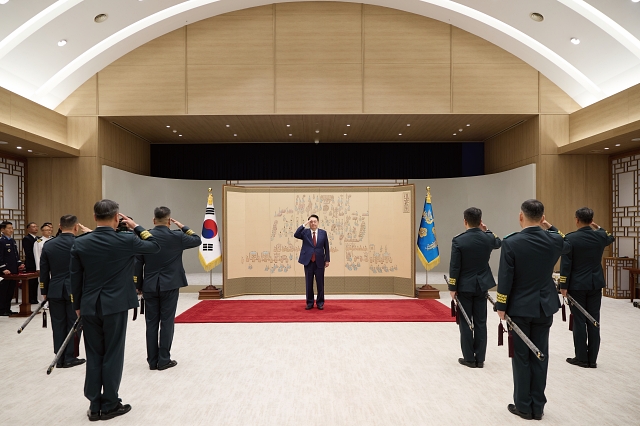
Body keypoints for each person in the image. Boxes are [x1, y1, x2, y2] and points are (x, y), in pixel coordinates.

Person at [70, 200, 160, 421]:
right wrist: (136, 226)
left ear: (94, 218)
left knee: (94, 355)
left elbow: (75, 278)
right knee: (113, 353)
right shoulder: (127, 240)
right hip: (116, 306)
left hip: (89, 306)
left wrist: (77, 306)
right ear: (117, 216)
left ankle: (94, 403)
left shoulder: (81, 243)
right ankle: (109, 403)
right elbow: (155, 246)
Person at [495, 199, 571, 421]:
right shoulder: (554, 240)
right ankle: (538, 406)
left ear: (521, 216)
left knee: (521, 357)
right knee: (540, 355)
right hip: (544, 305)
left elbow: (505, 278)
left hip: (518, 307)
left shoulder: (511, 242)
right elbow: (568, 244)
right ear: (542, 217)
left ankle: (523, 406)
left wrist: (501, 305)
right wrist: (551, 227)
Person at [134, 207, 201, 371]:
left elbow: (137, 263)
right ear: (170, 221)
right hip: (170, 285)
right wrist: (183, 227)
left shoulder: (145, 237)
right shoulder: (177, 236)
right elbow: (197, 239)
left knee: (151, 324)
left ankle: (152, 361)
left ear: (153, 220)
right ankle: (164, 359)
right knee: (167, 322)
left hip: (149, 285)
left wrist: (138, 285)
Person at [559, 207, 615, 369]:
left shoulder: (570, 239)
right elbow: (611, 237)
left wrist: (563, 285)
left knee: (579, 321)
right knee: (594, 320)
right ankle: (592, 359)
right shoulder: (600, 237)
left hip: (576, 285)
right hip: (595, 284)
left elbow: (566, 265)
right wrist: (598, 228)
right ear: (592, 220)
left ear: (576, 219)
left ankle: (582, 357)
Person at [448, 207, 501, 368]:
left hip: (464, 286)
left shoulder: (459, 240)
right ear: (480, 221)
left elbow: (455, 267)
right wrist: (487, 230)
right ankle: (480, 358)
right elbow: (498, 242)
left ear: (465, 221)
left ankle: (469, 358)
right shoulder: (488, 238)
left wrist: (452, 287)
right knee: (481, 322)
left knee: (465, 322)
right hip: (481, 285)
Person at [40, 215, 87, 368]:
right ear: (76, 227)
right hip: (75, 289)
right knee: (74, 323)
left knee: (58, 324)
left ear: (60, 226)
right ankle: (70, 356)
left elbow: (44, 271)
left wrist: (44, 290)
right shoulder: (80, 243)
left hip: (54, 289)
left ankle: (59, 356)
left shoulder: (49, 245)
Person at [294, 214, 330, 310]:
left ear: (318, 222)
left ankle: (320, 303)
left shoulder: (323, 233)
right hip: (308, 262)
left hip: (319, 261)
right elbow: (296, 234)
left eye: (314, 221)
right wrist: (304, 224)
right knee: (308, 283)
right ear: (309, 223)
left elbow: (326, 247)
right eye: (311, 221)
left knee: (320, 283)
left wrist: (327, 260)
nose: (313, 223)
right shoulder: (305, 233)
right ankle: (309, 303)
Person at [0, 221, 26, 316]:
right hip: (5, 271)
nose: (11, 230)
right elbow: (0, 257)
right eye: (9, 228)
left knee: (10, 290)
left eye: (12, 228)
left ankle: (8, 308)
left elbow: (15, 255)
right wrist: (3, 269)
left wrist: (19, 264)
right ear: (2, 230)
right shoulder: (1, 241)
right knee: (3, 291)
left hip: (13, 270)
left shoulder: (12, 241)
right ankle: (2, 310)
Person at [23, 221, 39, 304]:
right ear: (28, 229)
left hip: (37, 263)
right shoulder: (27, 239)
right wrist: (36, 258)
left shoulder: (38, 238)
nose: (35, 228)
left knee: (36, 282)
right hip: (31, 263)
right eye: (33, 226)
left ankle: (34, 298)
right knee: (31, 283)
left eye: (36, 226)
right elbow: (29, 253)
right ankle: (30, 298)